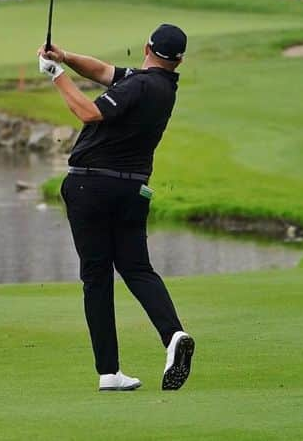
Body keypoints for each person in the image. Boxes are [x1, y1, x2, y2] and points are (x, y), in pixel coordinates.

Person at [38, 24, 194, 393]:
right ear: (179, 60)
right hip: (132, 189)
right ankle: (173, 335)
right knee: (137, 267)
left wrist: (56, 76)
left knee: (96, 277)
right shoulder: (162, 87)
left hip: (90, 185)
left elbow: (89, 113)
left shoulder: (139, 85)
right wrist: (65, 57)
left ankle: (109, 371)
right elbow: (104, 72)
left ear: (145, 47)